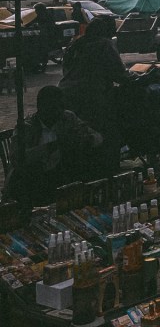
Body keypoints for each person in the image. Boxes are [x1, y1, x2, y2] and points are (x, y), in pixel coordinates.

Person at [5, 86, 104, 205]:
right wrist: (53, 146)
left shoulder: (67, 118)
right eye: (54, 108)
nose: (59, 111)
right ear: (41, 108)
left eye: (61, 107)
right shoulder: (26, 128)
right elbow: (17, 159)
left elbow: (97, 137)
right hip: (32, 183)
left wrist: (88, 139)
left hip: (61, 178)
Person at [58, 15, 129, 176]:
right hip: (92, 97)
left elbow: (67, 70)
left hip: (65, 94)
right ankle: (107, 173)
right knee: (108, 134)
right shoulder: (104, 44)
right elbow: (119, 74)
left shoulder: (75, 44)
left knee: (77, 135)